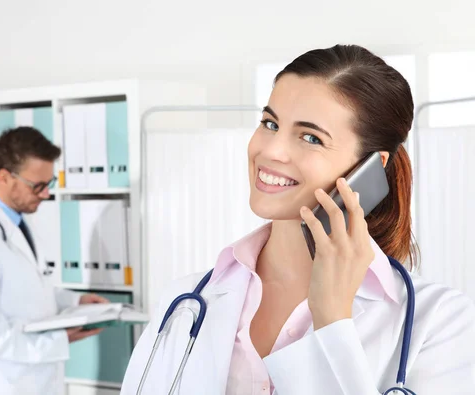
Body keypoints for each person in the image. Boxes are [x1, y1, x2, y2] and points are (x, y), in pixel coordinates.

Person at [121, 45, 475, 394]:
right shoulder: (183, 300)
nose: (271, 151)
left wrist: (333, 323)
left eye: (310, 137)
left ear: (370, 167)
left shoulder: (440, 322)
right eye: (270, 123)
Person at [0, 126, 109, 395]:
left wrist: (75, 301)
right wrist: (58, 340)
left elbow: (24, 291)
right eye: (37, 186)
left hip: (30, 382)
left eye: (48, 184)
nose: (46, 194)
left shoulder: (14, 224)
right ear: (5, 177)